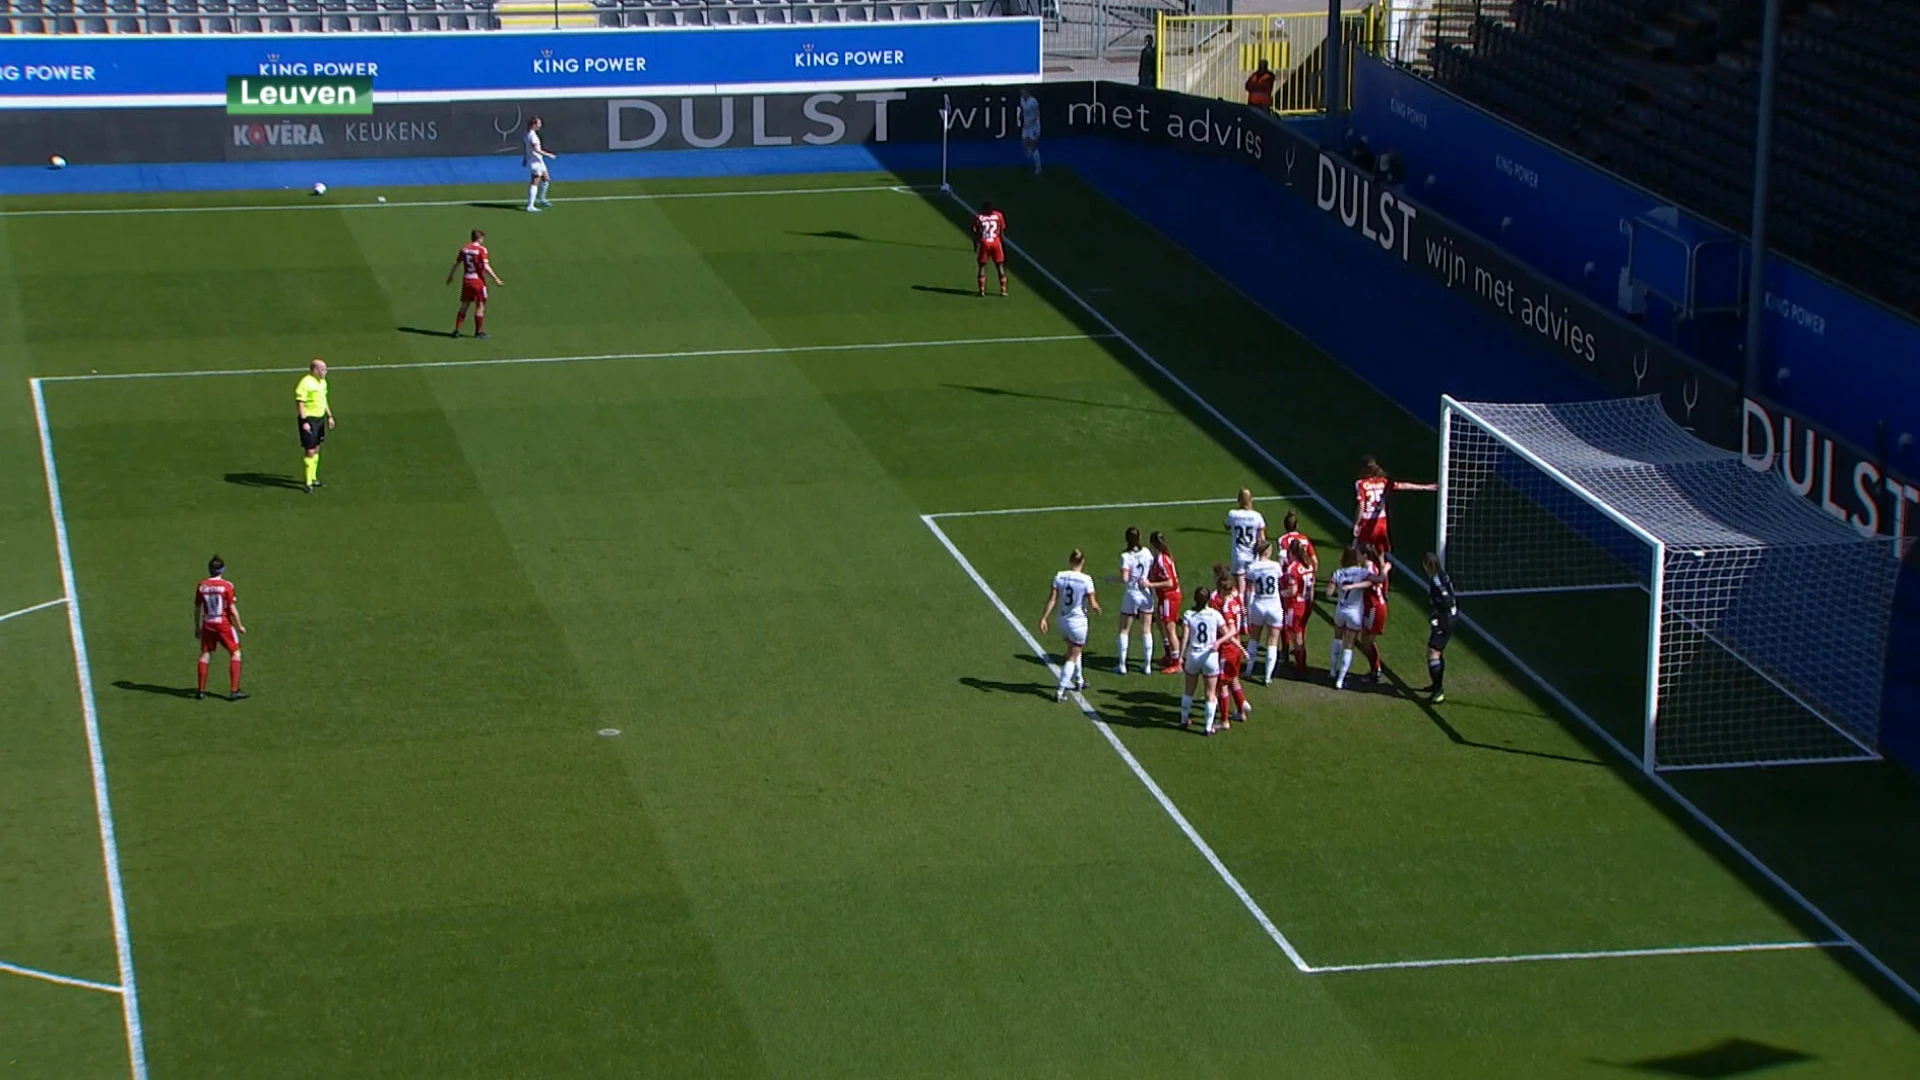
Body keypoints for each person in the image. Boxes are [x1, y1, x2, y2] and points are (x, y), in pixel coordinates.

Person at [1038, 549, 1101, 702]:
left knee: (1074, 649)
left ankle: (1079, 681)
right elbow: (1093, 603)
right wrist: (1097, 608)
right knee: (1072, 656)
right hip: (1078, 623)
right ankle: (1060, 690)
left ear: (1070, 561)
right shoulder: (1086, 580)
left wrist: (1044, 618)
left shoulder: (1060, 576)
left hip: (1062, 621)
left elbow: (1052, 599)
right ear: (1082, 562)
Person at [1354, 454, 1436, 555]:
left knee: (1359, 551)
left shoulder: (1360, 484)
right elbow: (1404, 485)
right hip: (1381, 522)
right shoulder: (1383, 482)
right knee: (1380, 551)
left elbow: (1362, 505)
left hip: (1366, 521)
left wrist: (1356, 524)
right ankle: (1382, 568)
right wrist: (1426, 487)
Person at [194, 555, 248, 702]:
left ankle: (200, 690)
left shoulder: (201, 585)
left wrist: (197, 627)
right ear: (222, 569)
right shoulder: (226, 586)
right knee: (235, 652)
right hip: (222, 623)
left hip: (207, 623)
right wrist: (239, 626)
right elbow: (231, 608)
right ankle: (234, 690)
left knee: (205, 654)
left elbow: (197, 607)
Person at [1326, 546, 1378, 691]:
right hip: (1354, 612)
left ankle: (1332, 670)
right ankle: (1340, 681)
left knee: (1337, 639)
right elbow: (1373, 581)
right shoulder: (1362, 573)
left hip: (1340, 610)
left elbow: (1328, 593)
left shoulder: (1338, 573)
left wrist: (1334, 586)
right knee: (1348, 645)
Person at [1177, 586, 1226, 734]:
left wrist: (1180, 656)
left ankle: (1184, 719)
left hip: (1193, 655)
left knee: (1188, 690)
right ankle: (1207, 726)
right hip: (1210, 656)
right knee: (1210, 693)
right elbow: (1228, 632)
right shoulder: (1215, 615)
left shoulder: (1189, 615)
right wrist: (1219, 642)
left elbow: (1185, 637)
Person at [1114, 526, 1158, 674]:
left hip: (1131, 593)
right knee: (1146, 629)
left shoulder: (1125, 556)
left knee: (1124, 629)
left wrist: (1112, 579)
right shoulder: (1146, 552)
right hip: (1145, 592)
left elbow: (1125, 578)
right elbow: (1152, 566)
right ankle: (1147, 665)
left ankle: (1122, 664)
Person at [448, 229, 505, 339]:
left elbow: (456, 263)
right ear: (480, 238)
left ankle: (457, 330)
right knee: (480, 305)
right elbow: (486, 266)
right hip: (477, 281)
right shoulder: (481, 250)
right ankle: (478, 332)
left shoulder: (464, 249)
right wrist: (496, 279)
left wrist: (451, 276)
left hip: (466, 280)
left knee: (464, 305)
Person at [1210, 567, 1250, 724]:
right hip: (1236, 643)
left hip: (1227, 647)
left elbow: (1223, 627)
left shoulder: (1219, 601)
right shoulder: (1235, 596)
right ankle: (1241, 710)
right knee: (1233, 679)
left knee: (1222, 685)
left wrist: (1219, 641)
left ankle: (1224, 720)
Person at [1244, 539, 1285, 684]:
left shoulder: (1251, 568)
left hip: (1259, 604)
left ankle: (1248, 670)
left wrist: (1247, 609)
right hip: (1274, 605)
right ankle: (1267, 677)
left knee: (1254, 638)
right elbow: (1280, 583)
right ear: (1266, 551)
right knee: (1272, 641)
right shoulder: (1275, 566)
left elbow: (1248, 592)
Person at [1144, 530, 1182, 674]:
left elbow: (1170, 582)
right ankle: (1168, 654)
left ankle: (1177, 662)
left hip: (1169, 597)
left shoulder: (1162, 559)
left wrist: (1150, 585)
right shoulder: (1160, 558)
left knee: (1170, 629)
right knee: (1160, 624)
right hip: (1164, 597)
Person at [1423, 552, 1458, 704]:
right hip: (1448, 618)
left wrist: (1439, 616)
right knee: (1435, 651)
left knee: (1433, 652)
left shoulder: (1437, 581)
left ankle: (1438, 691)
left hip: (1445, 621)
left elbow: (1446, 598)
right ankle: (1436, 685)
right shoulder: (1441, 575)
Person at [294, 358, 333, 494]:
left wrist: (329, 415)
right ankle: (308, 482)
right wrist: (304, 421)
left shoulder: (322, 382)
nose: (326, 372)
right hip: (309, 420)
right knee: (310, 450)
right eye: (323, 369)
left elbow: (323, 399)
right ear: (315, 370)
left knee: (316, 447)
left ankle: (314, 477)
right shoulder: (305, 383)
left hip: (319, 419)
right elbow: (300, 402)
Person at [1355, 545, 1392, 683]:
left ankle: (1375, 671)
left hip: (1374, 609)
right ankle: (1375, 669)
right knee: (1367, 640)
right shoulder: (1370, 567)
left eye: (1358, 554)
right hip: (1372, 607)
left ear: (1365, 555)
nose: (1356, 556)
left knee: (1366, 642)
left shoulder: (1369, 569)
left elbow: (1374, 581)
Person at [1224, 487, 1267, 601]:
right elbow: (1262, 539)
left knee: (1240, 591)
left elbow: (1226, 525)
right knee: (1252, 590)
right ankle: (1251, 614)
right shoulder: (1257, 516)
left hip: (1238, 556)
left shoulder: (1233, 514)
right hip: (1253, 556)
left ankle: (1242, 616)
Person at [1282, 538, 1314, 678]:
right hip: (1306, 603)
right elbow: (1311, 588)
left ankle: (1300, 668)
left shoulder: (1292, 568)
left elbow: (1292, 591)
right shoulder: (1309, 565)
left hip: (1295, 606)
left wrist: (1278, 593)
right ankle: (1300, 664)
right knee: (1299, 636)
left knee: (1296, 638)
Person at [974, 200, 1008, 297]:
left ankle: (982, 290)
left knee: (982, 266)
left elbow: (976, 233)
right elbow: (1001, 232)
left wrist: (976, 246)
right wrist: (1002, 244)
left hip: (984, 242)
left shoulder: (979, 217)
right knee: (1000, 266)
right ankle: (1003, 290)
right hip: (996, 242)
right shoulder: (999, 215)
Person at [523, 115, 557, 212]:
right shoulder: (532, 136)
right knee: (535, 182)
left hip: (538, 161)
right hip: (535, 162)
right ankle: (530, 205)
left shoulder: (527, 134)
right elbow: (536, 149)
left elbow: (526, 148)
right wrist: (549, 154)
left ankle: (542, 199)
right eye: (539, 123)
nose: (540, 125)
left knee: (546, 179)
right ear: (534, 124)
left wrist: (525, 158)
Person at [1019, 87, 1042, 175]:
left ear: (1027, 92)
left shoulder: (1033, 101)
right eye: (1021, 92)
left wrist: (1030, 123)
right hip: (1026, 126)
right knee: (1024, 143)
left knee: (1033, 147)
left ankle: (1038, 167)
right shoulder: (1021, 100)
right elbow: (1024, 111)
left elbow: (1037, 115)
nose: (1022, 93)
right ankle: (1030, 160)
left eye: (1023, 91)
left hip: (1034, 127)